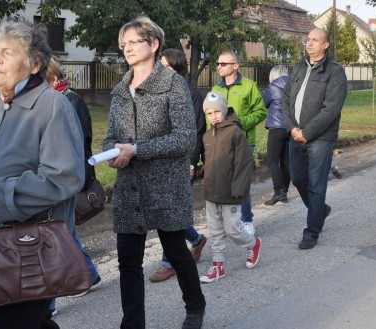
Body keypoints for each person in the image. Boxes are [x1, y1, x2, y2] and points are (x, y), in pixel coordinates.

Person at [103, 16, 205, 329]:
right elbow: (110, 136)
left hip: (166, 186)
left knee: (176, 252)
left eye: (134, 42)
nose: (127, 48)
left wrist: (137, 150)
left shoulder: (173, 84)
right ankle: (132, 324)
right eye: (124, 44)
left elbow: (185, 138)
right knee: (128, 262)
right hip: (129, 188)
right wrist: (112, 153)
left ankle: (195, 307)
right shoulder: (121, 90)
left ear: (154, 44)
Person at [0, 21, 85, 329]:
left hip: (27, 250)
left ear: (34, 64)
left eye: (7, 52)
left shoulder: (52, 106)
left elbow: (63, 178)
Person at [45, 58, 102, 316]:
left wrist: (72, 177)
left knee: (57, 234)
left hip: (66, 176)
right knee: (63, 231)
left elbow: (78, 142)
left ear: (54, 78)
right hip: (55, 176)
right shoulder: (51, 100)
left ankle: (48, 304)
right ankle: (89, 273)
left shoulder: (71, 100)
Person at [283, 28, 347, 250]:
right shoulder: (299, 68)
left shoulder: (335, 72)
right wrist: (292, 128)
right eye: (308, 40)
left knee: (316, 186)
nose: (309, 44)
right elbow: (285, 99)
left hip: (320, 138)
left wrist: (307, 133)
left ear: (325, 45)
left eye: (315, 40)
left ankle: (311, 232)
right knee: (298, 179)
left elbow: (331, 109)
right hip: (295, 134)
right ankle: (321, 210)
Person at [148, 49, 208, 283]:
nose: (161, 70)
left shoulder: (191, 93)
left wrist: (192, 162)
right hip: (160, 161)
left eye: (166, 66)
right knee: (165, 212)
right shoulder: (156, 90)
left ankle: (168, 262)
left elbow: (196, 130)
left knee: (170, 212)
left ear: (177, 68)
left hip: (182, 162)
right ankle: (196, 240)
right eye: (159, 65)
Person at [198, 92, 262, 283]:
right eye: (209, 113)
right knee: (215, 230)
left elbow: (243, 162)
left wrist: (238, 189)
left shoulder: (235, 132)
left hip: (231, 192)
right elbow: (209, 163)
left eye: (217, 111)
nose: (214, 116)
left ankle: (252, 243)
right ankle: (218, 265)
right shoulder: (207, 135)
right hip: (211, 191)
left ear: (224, 110)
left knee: (233, 229)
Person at [211, 51, 266, 236]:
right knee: (224, 183)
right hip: (221, 143)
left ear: (235, 66)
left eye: (223, 63)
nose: (219, 66)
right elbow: (209, 114)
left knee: (240, 183)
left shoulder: (249, 86)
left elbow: (261, 112)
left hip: (243, 141)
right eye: (218, 63)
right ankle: (230, 222)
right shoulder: (215, 89)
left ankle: (246, 219)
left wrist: (240, 122)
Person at [263, 65, 292, 205]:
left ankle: (277, 191)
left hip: (276, 127)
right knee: (286, 162)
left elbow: (264, 103)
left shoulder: (272, 87)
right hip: (291, 127)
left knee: (272, 161)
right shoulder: (294, 85)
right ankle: (284, 192)